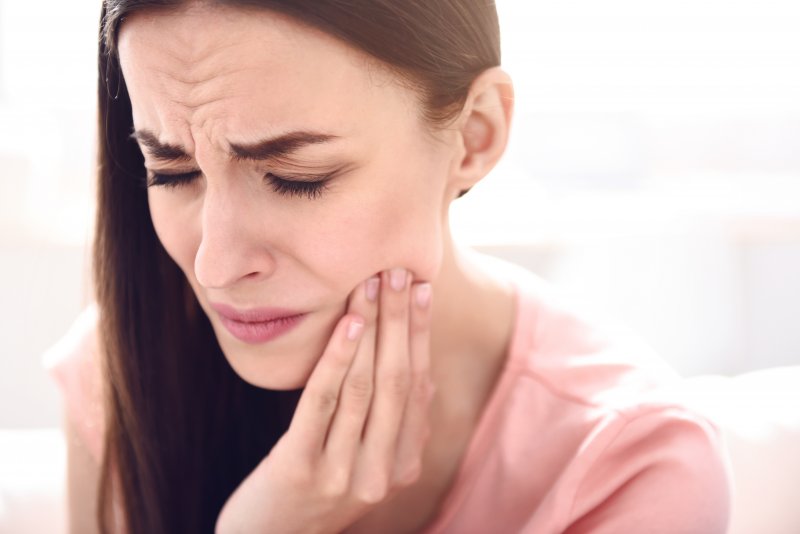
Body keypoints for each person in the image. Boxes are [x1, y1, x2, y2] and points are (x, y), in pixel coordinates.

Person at [44, 1, 732, 533]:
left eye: (295, 177)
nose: (215, 264)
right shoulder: (117, 374)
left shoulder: (631, 458)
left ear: (475, 135)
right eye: (172, 170)